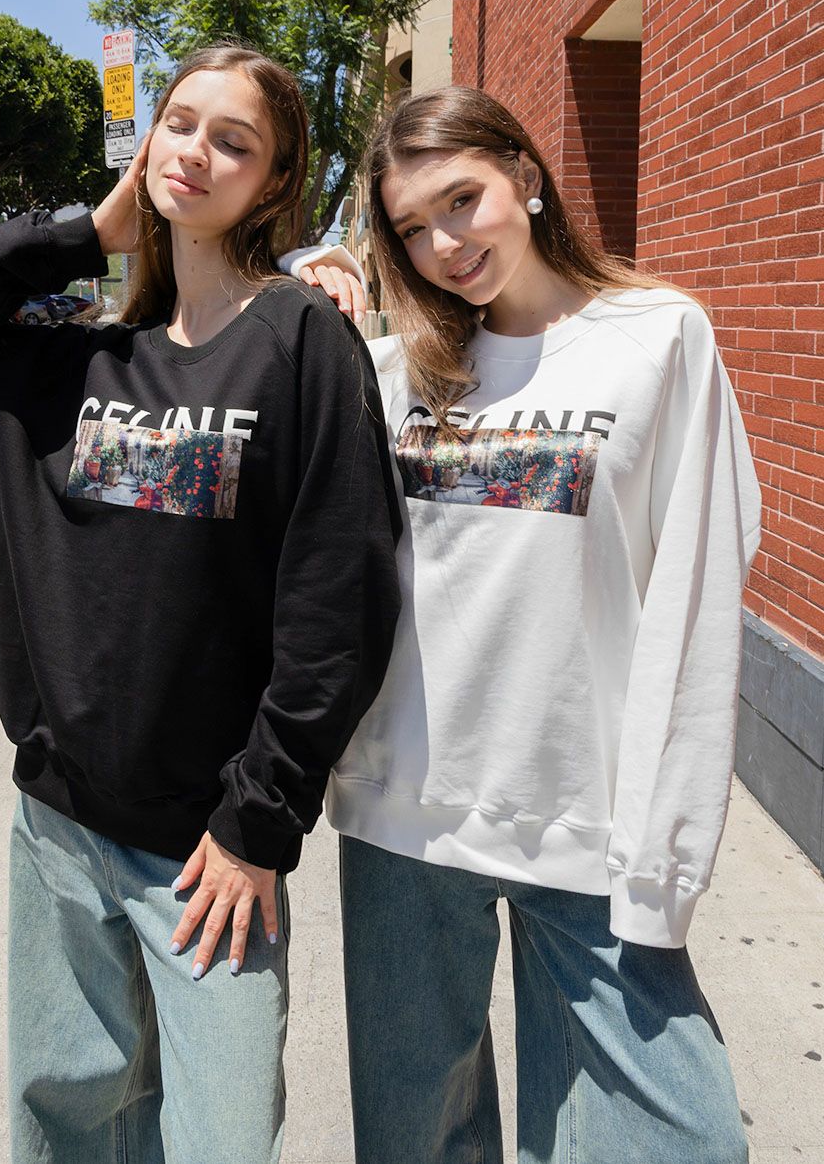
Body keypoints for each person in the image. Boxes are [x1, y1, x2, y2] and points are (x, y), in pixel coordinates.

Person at [0, 43, 401, 1164]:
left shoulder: (301, 342)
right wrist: (88, 232)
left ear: (274, 181)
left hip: (210, 853)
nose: (196, 152)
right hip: (59, 829)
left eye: (234, 141)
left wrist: (260, 820)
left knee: (221, 1136)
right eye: (181, 122)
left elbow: (340, 597)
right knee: (67, 1124)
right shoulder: (70, 366)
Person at [299, 85, 762, 1164]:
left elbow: (695, 596)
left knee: (682, 1138)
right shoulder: (389, 370)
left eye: (461, 200)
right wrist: (301, 286)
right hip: (403, 818)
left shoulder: (658, 336)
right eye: (412, 227)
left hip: (590, 823)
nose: (444, 245)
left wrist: (666, 849)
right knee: (417, 1141)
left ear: (525, 172)